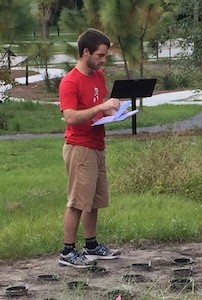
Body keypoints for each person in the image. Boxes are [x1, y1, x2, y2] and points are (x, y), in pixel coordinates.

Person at [58, 28, 121, 268]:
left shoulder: (98, 76)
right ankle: (67, 251)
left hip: (97, 144)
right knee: (77, 201)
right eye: (100, 55)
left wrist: (115, 111)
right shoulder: (70, 81)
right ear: (85, 52)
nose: (103, 60)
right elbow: (71, 117)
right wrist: (100, 108)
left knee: (94, 200)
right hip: (79, 147)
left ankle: (91, 245)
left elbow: (101, 106)